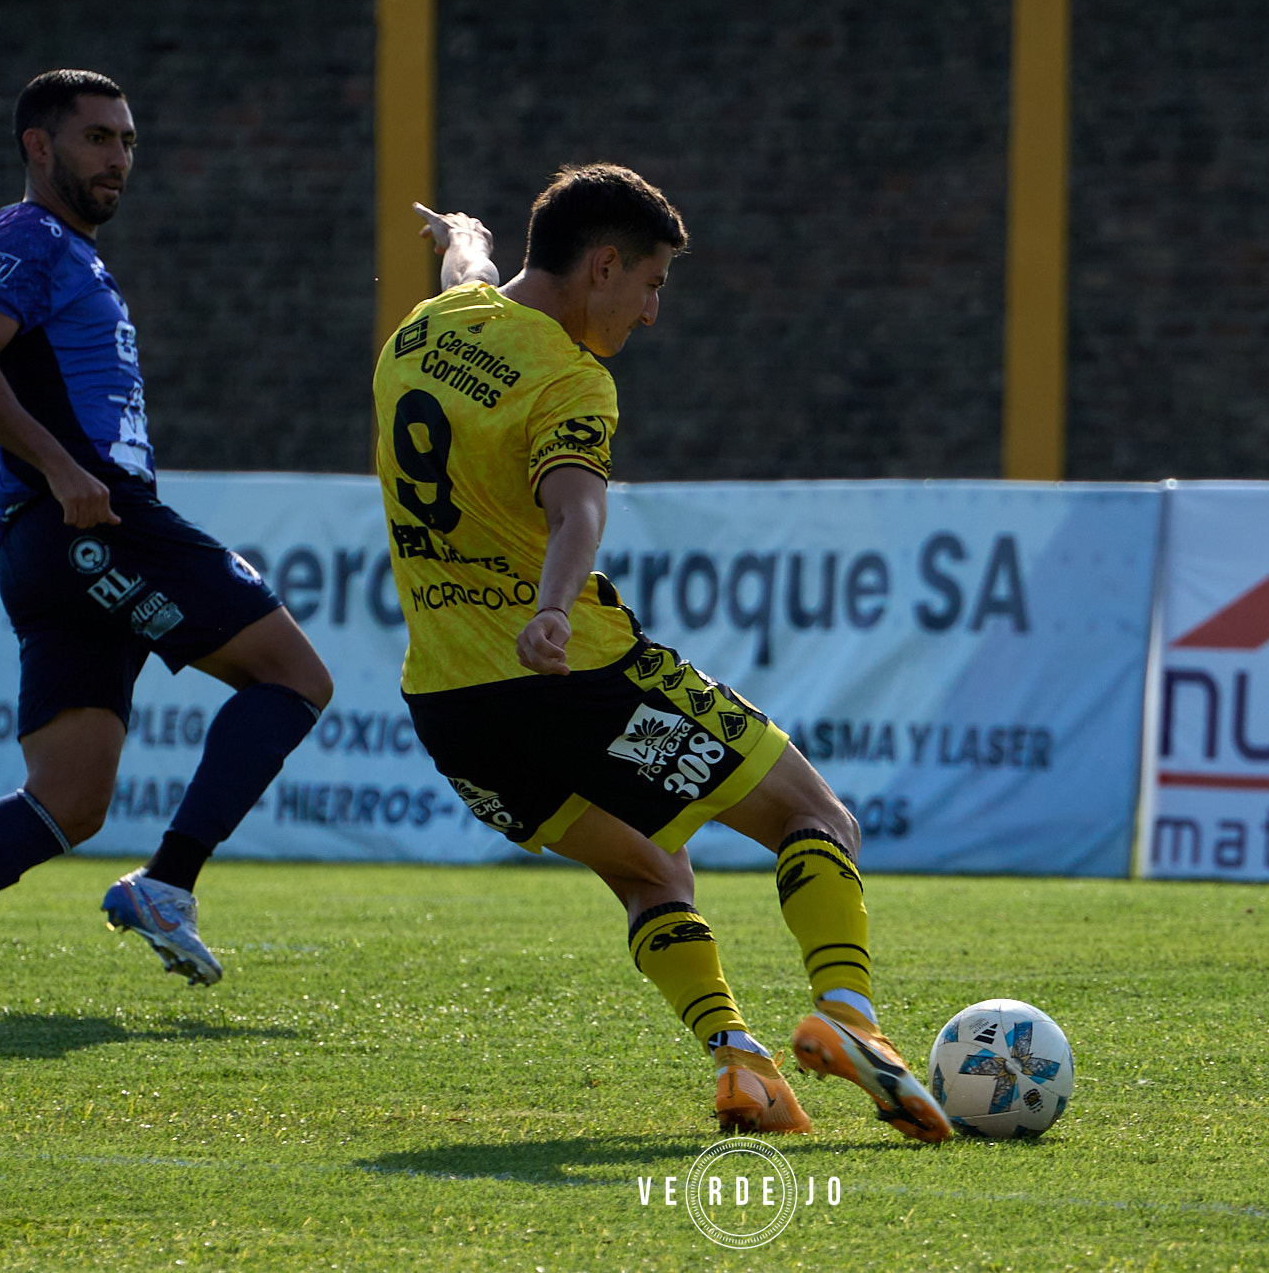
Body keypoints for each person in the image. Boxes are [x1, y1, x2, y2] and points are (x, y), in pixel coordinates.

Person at [378, 165, 949, 1142]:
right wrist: (552, 609)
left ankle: (741, 1063)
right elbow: (578, 508)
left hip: (449, 706)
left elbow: (468, 269)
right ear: (600, 265)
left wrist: (457, 233)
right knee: (817, 818)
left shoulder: (428, 326)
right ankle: (849, 1019)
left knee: (651, 871)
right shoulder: (568, 375)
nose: (649, 313)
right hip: (578, 681)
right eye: (649, 284)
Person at [0, 70, 333, 1011]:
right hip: (96, 524)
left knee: (71, 798)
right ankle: (168, 881)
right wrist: (62, 472)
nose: (118, 158)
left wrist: (36, 475)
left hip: (52, 544)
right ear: (39, 147)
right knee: (295, 676)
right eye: (95, 138)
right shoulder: (31, 235)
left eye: (126, 140)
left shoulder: (75, 256)